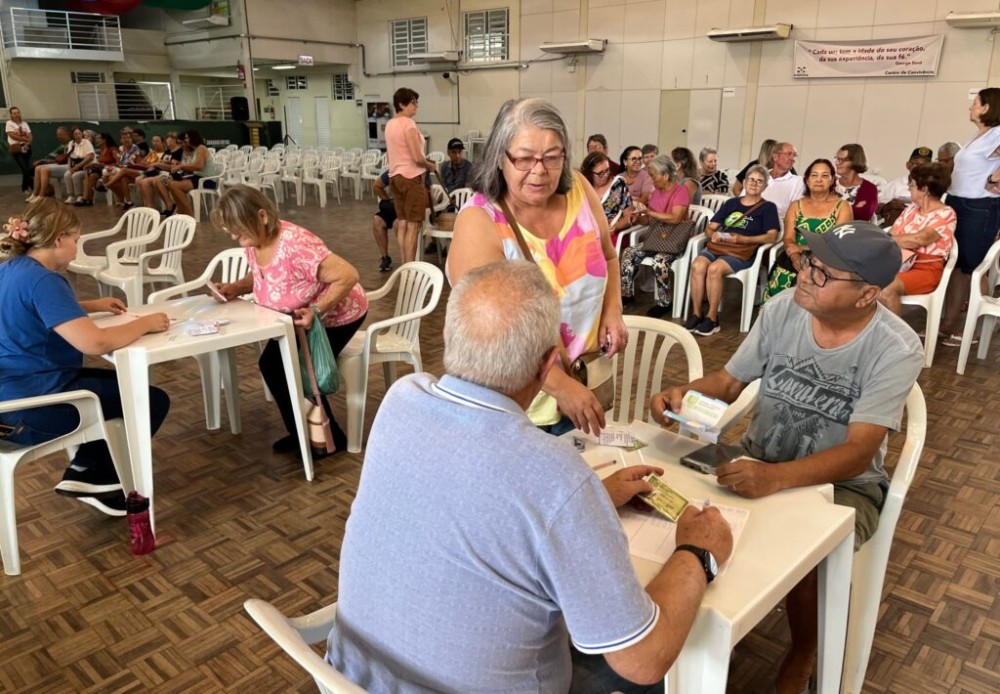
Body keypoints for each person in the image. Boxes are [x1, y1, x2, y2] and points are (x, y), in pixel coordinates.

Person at [327, 260, 734, 692]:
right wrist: (697, 553)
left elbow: (478, 491)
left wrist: (586, 497)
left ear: (449, 336)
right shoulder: (554, 475)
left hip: (350, 676)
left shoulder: (400, 401)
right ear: (547, 366)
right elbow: (643, 659)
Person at [653, 221, 923, 694]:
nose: (803, 274)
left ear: (866, 295)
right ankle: (709, 625)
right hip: (758, 457)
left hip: (844, 486)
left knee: (808, 562)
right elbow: (730, 382)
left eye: (822, 272)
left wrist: (776, 479)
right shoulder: (782, 310)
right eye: (806, 261)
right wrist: (682, 392)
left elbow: (860, 453)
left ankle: (803, 649)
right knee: (680, 509)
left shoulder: (895, 347)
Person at [448, 98, 628, 437]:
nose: (540, 170)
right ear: (500, 157)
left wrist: (612, 310)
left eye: (552, 157)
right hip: (518, 406)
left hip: (585, 382)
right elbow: (492, 335)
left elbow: (609, 256)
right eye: (525, 158)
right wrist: (561, 387)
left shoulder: (579, 189)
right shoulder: (480, 221)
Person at [0, 199, 171, 517]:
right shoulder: (45, 280)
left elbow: (34, 309)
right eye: (76, 240)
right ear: (58, 239)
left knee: (122, 386)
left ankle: (89, 467)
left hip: (7, 405)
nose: (77, 250)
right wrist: (145, 322)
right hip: (34, 410)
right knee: (150, 399)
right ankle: (92, 474)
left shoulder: (9, 269)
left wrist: (90, 305)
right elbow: (95, 342)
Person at [212, 186, 368, 457]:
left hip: (338, 314)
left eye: (241, 233)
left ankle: (326, 439)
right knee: (274, 366)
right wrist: (237, 287)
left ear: (261, 216)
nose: (241, 242)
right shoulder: (256, 241)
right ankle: (302, 433)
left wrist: (316, 310)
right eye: (234, 235)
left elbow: (348, 275)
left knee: (291, 367)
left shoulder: (295, 244)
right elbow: (265, 274)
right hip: (295, 316)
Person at [685, 165, 780, 336]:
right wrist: (712, 234)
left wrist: (744, 239)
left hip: (742, 252)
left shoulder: (768, 208)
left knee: (715, 269)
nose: (754, 184)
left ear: (765, 187)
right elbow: (710, 227)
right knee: (698, 265)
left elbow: (772, 236)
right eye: (751, 179)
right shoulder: (731, 203)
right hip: (720, 246)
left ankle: (712, 319)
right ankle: (696, 313)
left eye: (759, 181)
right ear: (744, 182)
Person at [939, 88, 1000, 345]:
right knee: (956, 266)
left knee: (974, 268)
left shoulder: (997, 133)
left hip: (980, 207)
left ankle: (973, 331)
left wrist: (994, 178)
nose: (970, 108)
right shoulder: (981, 135)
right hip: (959, 202)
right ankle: (948, 325)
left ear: (986, 107)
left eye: (974, 103)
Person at [766, 158, 851, 299]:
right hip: (794, 257)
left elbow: (838, 242)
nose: (819, 180)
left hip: (828, 260)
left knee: (815, 285)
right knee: (781, 285)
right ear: (807, 180)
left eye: (824, 175)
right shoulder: (796, 205)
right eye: (814, 175)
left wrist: (802, 248)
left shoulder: (842, 206)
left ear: (832, 180)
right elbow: (788, 238)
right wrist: (794, 257)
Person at [619, 156, 692, 319]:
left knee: (660, 260)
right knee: (628, 253)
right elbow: (648, 221)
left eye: (653, 176)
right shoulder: (656, 193)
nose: (651, 180)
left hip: (673, 242)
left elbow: (676, 218)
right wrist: (638, 215)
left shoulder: (681, 191)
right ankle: (627, 295)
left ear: (665, 175)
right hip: (656, 239)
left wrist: (650, 212)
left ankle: (664, 303)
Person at [880, 163, 956, 315]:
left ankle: (896, 337)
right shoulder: (911, 209)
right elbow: (895, 233)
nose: (909, 188)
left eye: (912, 184)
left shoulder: (946, 213)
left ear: (925, 189)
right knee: (856, 279)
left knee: (887, 287)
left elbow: (920, 239)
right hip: (897, 263)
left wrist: (887, 238)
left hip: (926, 270)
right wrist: (892, 238)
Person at [385, 88, 437, 264]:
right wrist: (430, 165)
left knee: (403, 223)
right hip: (410, 177)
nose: (416, 106)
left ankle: (405, 265)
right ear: (402, 104)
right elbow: (416, 157)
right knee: (414, 225)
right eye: (413, 102)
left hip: (395, 177)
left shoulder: (390, 124)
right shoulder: (408, 124)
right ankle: (410, 268)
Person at [581, 151, 638, 242]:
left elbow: (629, 215)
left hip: (611, 235)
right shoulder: (583, 187)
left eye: (607, 170)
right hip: (588, 234)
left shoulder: (618, 184)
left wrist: (614, 228)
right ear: (589, 173)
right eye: (600, 173)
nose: (605, 175)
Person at [165, 129, 220, 217]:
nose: (185, 140)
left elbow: (199, 166)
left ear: (193, 138)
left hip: (206, 180)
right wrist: (180, 165)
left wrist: (181, 166)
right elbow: (193, 168)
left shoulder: (201, 148)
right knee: (170, 183)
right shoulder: (195, 150)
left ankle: (189, 214)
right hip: (197, 177)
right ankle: (182, 211)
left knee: (174, 185)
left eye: (187, 138)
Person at [137, 132, 184, 210]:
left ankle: (169, 205)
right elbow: (163, 162)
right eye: (167, 141)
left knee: (152, 181)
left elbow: (174, 167)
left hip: (172, 174)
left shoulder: (179, 151)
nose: (167, 143)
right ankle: (150, 206)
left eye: (169, 141)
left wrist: (158, 164)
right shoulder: (168, 151)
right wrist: (159, 164)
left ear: (175, 141)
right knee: (142, 181)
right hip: (161, 172)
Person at [834, 143, 878, 222]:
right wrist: (854, 208)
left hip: (854, 232)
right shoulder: (829, 183)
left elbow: (864, 216)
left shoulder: (869, 188)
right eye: (837, 159)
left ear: (855, 161)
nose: (837, 163)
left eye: (842, 160)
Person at [760, 142, 804, 219]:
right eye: (789, 154)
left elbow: (796, 212)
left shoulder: (798, 182)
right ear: (775, 156)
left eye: (794, 155)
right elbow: (743, 200)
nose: (793, 159)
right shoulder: (759, 176)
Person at [27, 126, 71, 203]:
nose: (58, 137)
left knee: (43, 169)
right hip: (55, 163)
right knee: (37, 168)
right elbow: (54, 156)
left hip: (62, 165)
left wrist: (45, 161)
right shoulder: (62, 145)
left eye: (60, 134)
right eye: (57, 135)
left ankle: (42, 195)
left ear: (66, 134)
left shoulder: (69, 144)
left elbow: (63, 159)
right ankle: (35, 194)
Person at [74, 132, 118, 207]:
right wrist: (93, 164)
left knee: (90, 174)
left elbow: (118, 163)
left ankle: (86, 198)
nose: (97, 140)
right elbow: (99, 162)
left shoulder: (112, 149)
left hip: (109, 170)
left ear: (104, 140)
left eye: (99, 138)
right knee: (92, 175)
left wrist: (106, 165)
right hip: (101, 170)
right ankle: (88, 199)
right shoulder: (102, 150)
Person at [61, 127, 95, 205]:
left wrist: (78, 166)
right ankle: (71, 195)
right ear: (73, 135)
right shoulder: (71, 143)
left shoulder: (86, 142)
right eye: (76, 134)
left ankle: (79, 195)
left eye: (79, 133)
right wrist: (69, 167)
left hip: (85, 167)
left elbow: (90, 157)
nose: (78, 135)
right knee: (67, 175)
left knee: (75, 176)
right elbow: (69, 156)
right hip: (75, 165)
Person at [372, 170, 397, 272]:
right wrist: (387, 200)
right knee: (377, 220)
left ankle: (408, 263)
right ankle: (385, 258)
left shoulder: (416, 171)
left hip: (408, 210)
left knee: (400, 224)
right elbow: (376, 186)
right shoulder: (392, 171)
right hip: (395, 208)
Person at [6, 106, 33, 194]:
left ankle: (27, 186)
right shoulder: (9, 123)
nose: (16, 115)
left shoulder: (24, 123)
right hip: (17, 149)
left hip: (26, 147)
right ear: (11, 115)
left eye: (17, 113)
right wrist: (23, 138)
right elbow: (12, 135)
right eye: (14, 113)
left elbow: (29, 134)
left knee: (29, 168)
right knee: (24, 168)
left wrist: (29, 140)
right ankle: (29, 186)